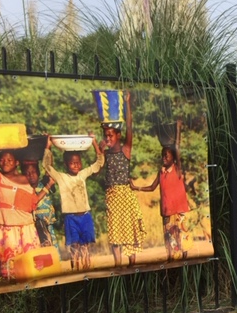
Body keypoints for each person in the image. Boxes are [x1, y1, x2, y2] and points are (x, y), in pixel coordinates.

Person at [0, 139, 54, 279]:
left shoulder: (26, 179)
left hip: (27, 228)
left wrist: (47, 187)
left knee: (32, 268)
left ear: (17, 162)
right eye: (2, 160)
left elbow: (32, 202)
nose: (5, 162)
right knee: (10, 270)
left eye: (9, 160)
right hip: (7, 229)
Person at [42, 134, 104, 270]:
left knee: (85, 245)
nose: (76, 165)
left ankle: (86, 268)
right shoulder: (61, 177)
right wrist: (48, 146)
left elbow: (99, 164)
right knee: (74, 245)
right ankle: (75, 269)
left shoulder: (82, 174)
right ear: (66, 164)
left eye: (78, 162)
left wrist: (94, 143)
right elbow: (46, 166)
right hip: (71, 218)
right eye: (72, 162)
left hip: (85, 216)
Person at [131, 119, 190, 261]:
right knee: (168, 237)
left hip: (178, 210)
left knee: (181, 236)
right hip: (166, 211)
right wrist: (136, 187)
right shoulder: (161, 172)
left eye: (167, 156)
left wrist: (178, 129)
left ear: (173, 158)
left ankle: (185, 259)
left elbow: (177, 146)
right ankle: (170, 259)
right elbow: (152, 187)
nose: (163, 158)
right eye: (162, 156)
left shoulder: (177, 170)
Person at [102, 90, 147, 267]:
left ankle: (132, 264)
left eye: (111, 135)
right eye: (106, 135)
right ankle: (118, 265)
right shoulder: (105, 153)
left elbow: (129, 125)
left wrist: (127, 102)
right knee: (114, 232)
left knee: (130, 231)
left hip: (125, 195)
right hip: (112, 196)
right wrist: (98, 149)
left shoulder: (125, 150)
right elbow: (99, 171)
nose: (108, 138)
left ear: (118, 136)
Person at [20, 161, 59, 250]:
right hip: (34, 228)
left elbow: (50, 168)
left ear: (38, 172)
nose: (31, 175)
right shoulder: (25, 190)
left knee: (52, 251)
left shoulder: (45, 183)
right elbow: (33, 202)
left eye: (33, 172)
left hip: (48, 226)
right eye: (27, 173)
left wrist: (48, 149)